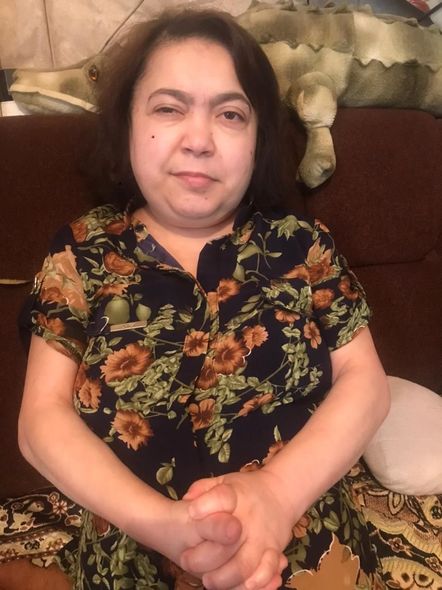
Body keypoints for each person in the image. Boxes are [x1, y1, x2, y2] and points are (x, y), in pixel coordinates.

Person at [18, 7, 390, 590]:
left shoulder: (301, 243)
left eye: (230, 114)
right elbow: (41, 420)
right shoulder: (82, 251)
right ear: (127, 124)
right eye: (168, 108)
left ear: (258, 139)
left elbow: (366, 382)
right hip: (131, 563)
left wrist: (276, 495)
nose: (198, 140)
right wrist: (169, 529)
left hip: (313, 558)